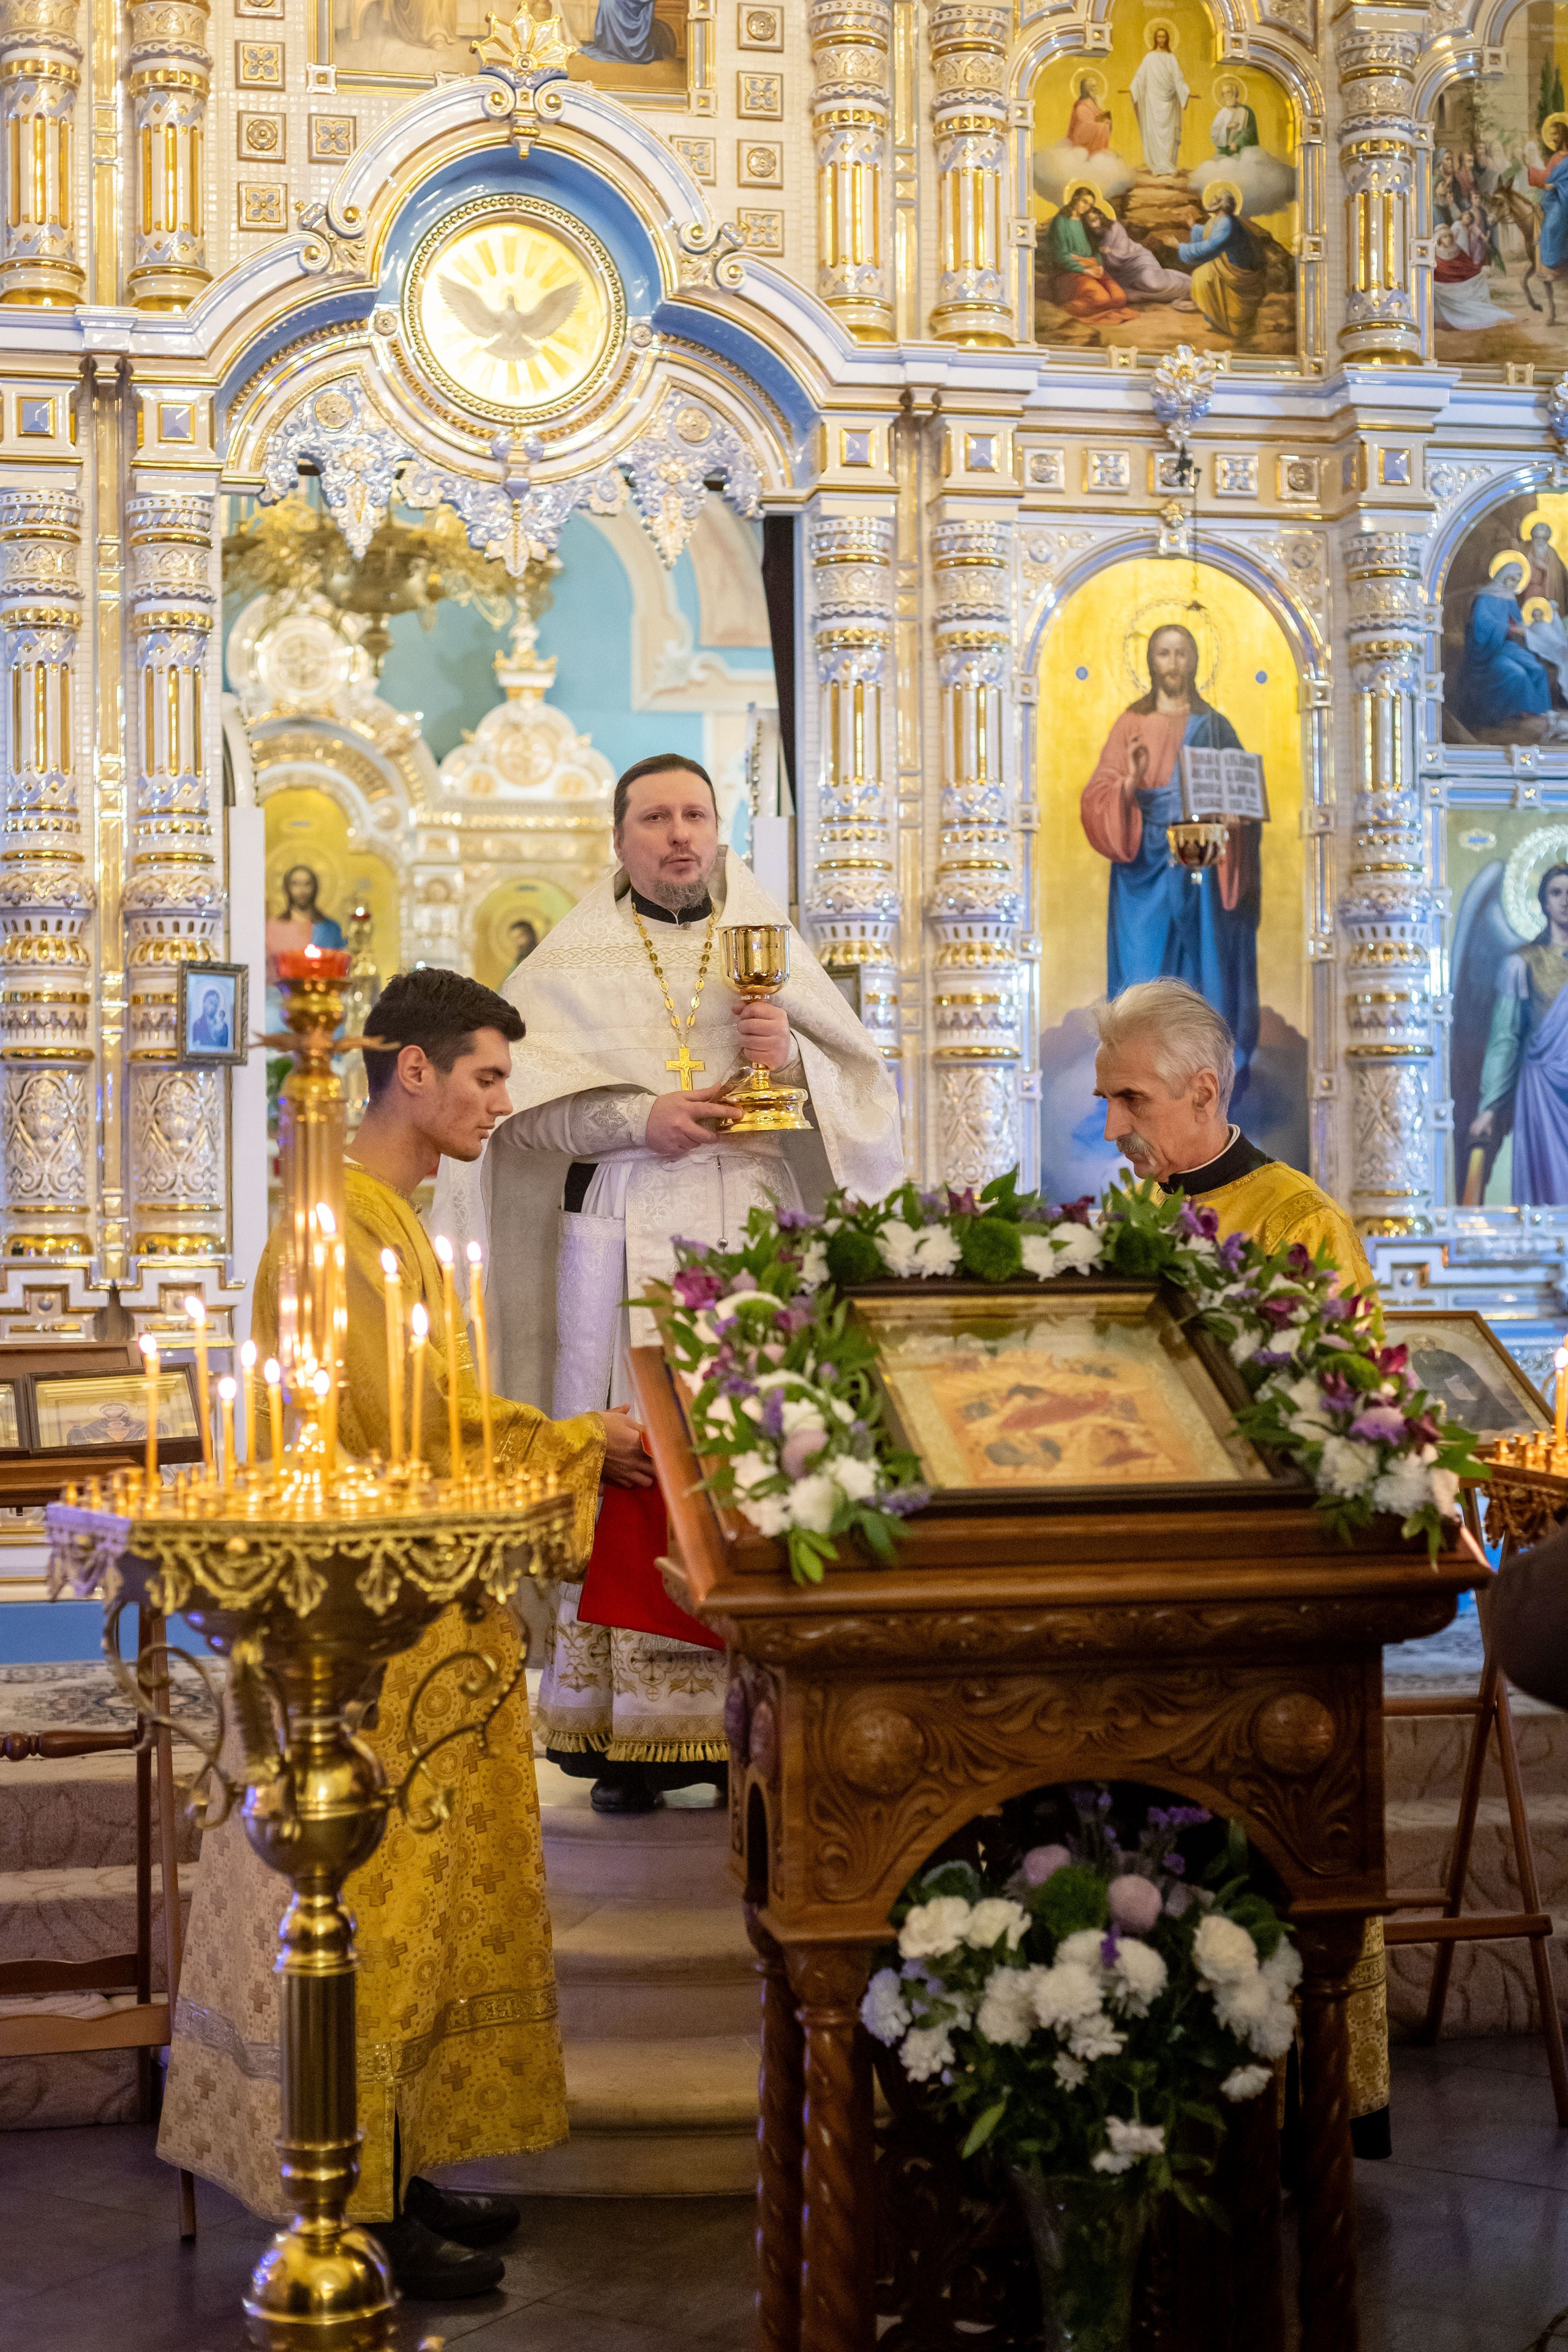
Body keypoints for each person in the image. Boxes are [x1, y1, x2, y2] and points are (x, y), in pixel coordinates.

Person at [158, 968, 650, 2299]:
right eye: (487, 1077)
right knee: (366, 1913)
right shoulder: (337, 1226)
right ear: (411, 1073)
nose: (501, 1102)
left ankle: (404, 2166)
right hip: (366, 1632)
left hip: (429, 1621)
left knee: (424, 1923)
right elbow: (392, 1440)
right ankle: (352, 2208)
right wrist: (575, 1442)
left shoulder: (392, 1219)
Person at [433, 753, 905, 1815]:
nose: (679, 835)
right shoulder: (568, 964)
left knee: (749, 1458)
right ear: (621, 838)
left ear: (718, 828)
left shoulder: (772, 945)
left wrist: (788, 1057)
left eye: (695, 814)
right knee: (634, 1458)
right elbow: (519, 1118)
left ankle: (753, 1718)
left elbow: (862, 1099)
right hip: (628, 1231)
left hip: (752, 1231)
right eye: (655, 818)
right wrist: (636, 1117)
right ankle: (622, 1736)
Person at [1092, 978, 1390, 2158]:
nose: (1115, 1125)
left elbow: (1349, 1413)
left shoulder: (1299, 1217)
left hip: (1266, 1600)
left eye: (1132, 1098)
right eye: (1107, 1097)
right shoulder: (1124, 1210)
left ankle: (1302, 2105)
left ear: (1203, 1089)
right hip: (1142, 1590)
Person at [1079, 621, 1261, 1104]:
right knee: (1140, 974)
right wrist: (1129, 784)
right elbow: (1098, 795)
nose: (1174, 664)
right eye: (1164, 654)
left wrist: (1233, 822)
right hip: (1142, 865)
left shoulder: (1216, 726)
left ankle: (1204, 1084)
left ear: (1196, 661)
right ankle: (1138, 1085)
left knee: (1203, 970)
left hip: (1199, 862)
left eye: (1182, 654)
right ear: (1150, 662)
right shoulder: (1130, 724)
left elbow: (1240, 798)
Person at [1467, 862, 1568, 1202]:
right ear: (1543, 902)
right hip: (1543, 1092)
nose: (1566, 901)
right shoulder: (1522, 963)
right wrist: (1490, 1107)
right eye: (1557, 893)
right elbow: (1505, 1038)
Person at [1453, 554, 1553, 736]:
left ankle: (1540, 713)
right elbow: (1481, 628)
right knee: (1517, 673)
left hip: (1507, 647)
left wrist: (1523, 627)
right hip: (1488, 650)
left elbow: (1517, 621)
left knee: (1538, 669)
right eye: (1513, 578)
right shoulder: (1484, 597)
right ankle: (1514, 715)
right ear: (1503, 575)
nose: (1515, 583)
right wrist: (1509, 629)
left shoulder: (1509, 598)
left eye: (1518, 580)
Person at [1177, 184, 1267, 340]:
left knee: (1201, 276)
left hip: (1238, 269)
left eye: (1215, 199)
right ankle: (1218, 321)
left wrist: (1179, 246)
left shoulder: (1226, 222)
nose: (1211, 201)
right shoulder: (1219, 220)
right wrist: (1193, 226)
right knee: (1202, 274)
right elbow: (1208, 232)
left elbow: (1210, 246)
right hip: (1227, 265)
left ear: (1222, 204)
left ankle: (1231, 324)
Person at [1042, 183, 1134, 319]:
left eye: (1090, 205)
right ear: (1075, 198)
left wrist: (1100, 266)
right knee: (1101, 299)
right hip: (1071, 271)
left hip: (1093, 267)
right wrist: (1085, 270)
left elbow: (1095, 248)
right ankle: (1061, 313)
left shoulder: (1086, 220)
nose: (1086, 207)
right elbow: (1060, 255)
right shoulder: (1061, 221)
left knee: (1119, 298)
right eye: (1084, 202)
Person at [1085, 201, 1197, 306]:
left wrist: (1109, 251)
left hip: (1138, 261)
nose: (1093, 225)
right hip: (1120, 275)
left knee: (1153, 283)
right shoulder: (1089, 236)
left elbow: (1124, 251)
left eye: (1095, 220)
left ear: (1101, 217)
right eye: (1089, 222)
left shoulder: (1114, 227)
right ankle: (1180, 289)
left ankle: (1192, 286)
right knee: (1129, 296)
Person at [1129, 23, 1189, 177]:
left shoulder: (1171, 58)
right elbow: (1141, 76)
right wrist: (1134, 87)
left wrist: (1184, 90)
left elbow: (1178, 77)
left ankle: (1168, 164)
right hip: (1152, 99)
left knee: (1169, 133)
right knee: (1153, 131)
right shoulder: (1149, 58)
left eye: (1164, 36)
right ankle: (1157, 166)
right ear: (1155, 38)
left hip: (1169, 101)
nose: (1161, 39)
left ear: (1167, 39)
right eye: (1158, 36)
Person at [1431, 223, 1515, 331]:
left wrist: (1480, 270)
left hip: (1460, 287)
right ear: (1439, 239)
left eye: (1449, 236)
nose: (1447, 239)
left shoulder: (1458, 250)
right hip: (1442, 288)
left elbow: (1468, 267)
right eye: (1444, 237)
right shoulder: (1434, 254)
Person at [1209, 76, 1259, 157]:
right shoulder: (1222, 113)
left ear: (1236, 93)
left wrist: (1237, 143)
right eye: (1223, 93)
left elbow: (1249, 131)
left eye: (1229, 92)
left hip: (1242, 151)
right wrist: (1227, 127)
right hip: (1224, 151)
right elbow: (1214, 133)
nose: (1226, 96)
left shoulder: (1246, 111)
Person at [1066, 72, 1112, 157]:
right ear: (1087, 89)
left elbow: (1097, 116)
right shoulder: (1081, 107)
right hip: (1081, 143)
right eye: (1094, 87)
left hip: (1090, 142)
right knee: (1103, 126)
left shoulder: (1092, 103)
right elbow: (1082, 130)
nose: (1096, 89)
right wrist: (1103, 125)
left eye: (1096, 86)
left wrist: (1105, 118)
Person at [189, 986, 230, 1051]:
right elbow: (196, 1048)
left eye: (216, 1005)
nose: (214, 1007)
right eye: (211, 1002)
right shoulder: (198, 1025)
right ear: (204, 1003)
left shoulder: (223, 1027)